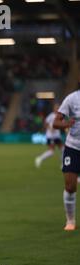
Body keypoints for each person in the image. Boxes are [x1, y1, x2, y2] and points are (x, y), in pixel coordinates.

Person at [53, 89, 80, 231]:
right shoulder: (72, 98)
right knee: (70, 186)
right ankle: (70, 220)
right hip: (74, 147)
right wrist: (67, 124)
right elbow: (56, 123)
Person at [35, 104, 64, 168]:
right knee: (51, 152)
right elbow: (45, 123)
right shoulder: (51, 115)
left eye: (58, 108)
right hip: (51, 136)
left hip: (57, 136)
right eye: (56, 108)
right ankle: (39, 158)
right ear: (54, 109)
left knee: (63, 149)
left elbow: (62, 124)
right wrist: (50, 128)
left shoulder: (60, 116)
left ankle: (62, 164)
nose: (57, 109)